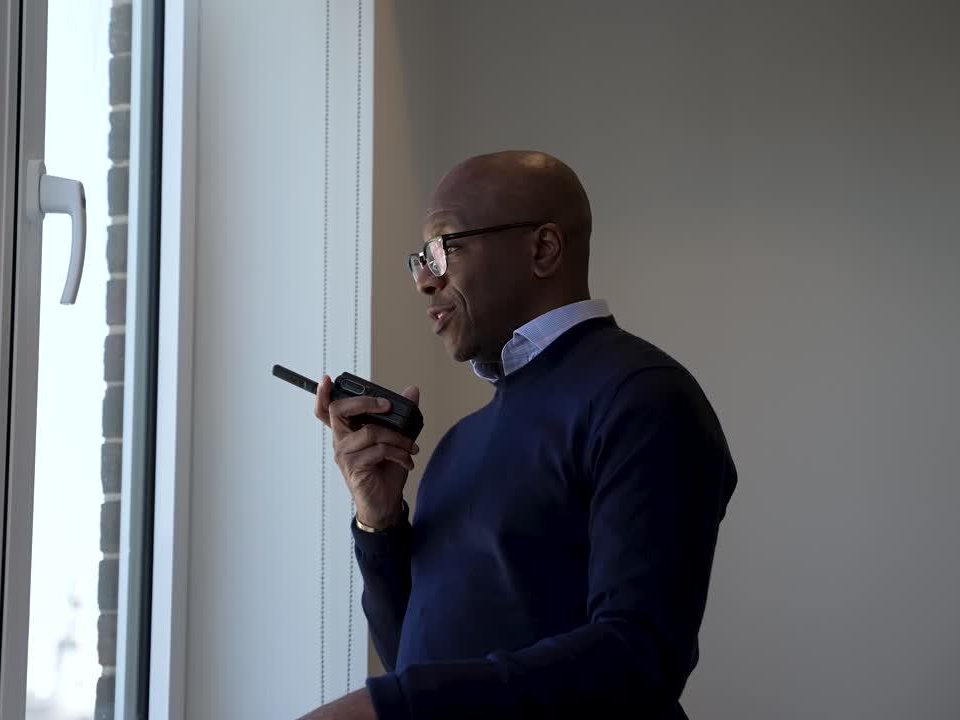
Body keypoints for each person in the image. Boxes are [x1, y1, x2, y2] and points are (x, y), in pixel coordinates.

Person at [299, 150, 738, 720]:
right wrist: (379, 526)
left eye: (443, 249)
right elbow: (415, 660)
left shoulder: (644, 397)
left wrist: (390, 707)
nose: (425, 281)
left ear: (543, 249)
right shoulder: (459, 443)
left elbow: (641, 658)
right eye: (419, 259)